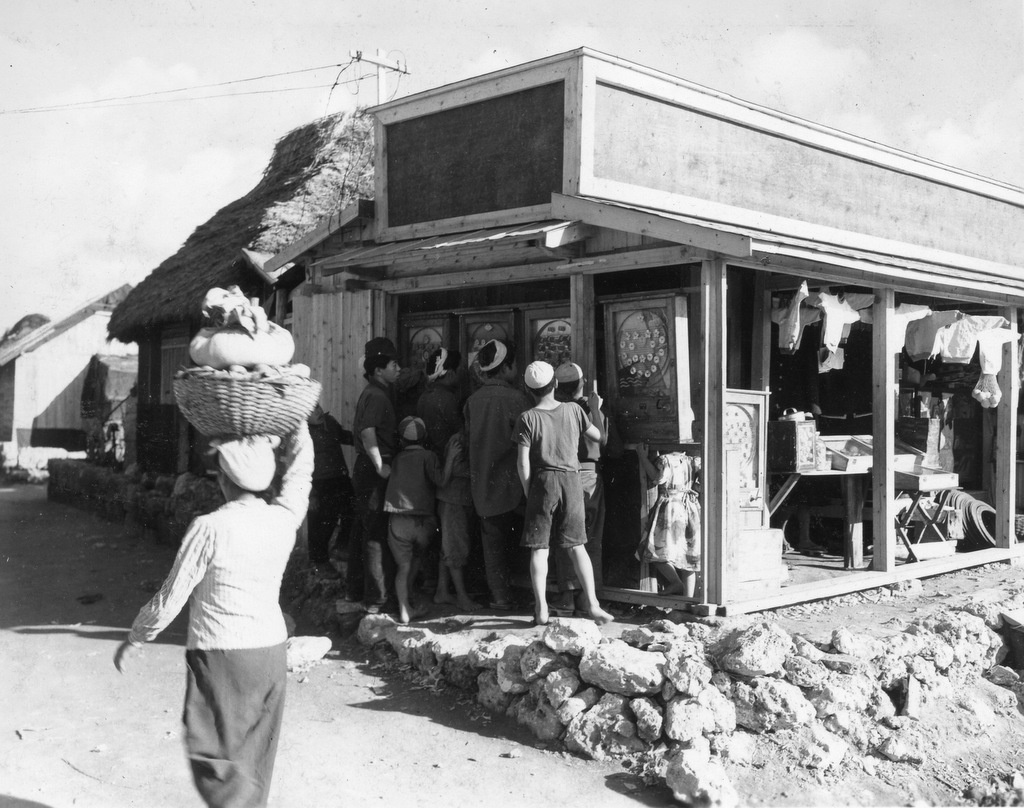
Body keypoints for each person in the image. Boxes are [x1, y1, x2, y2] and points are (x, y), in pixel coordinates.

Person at [114, 423, 313, 808]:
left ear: (223, 478)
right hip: (270, 653)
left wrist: (137, 637)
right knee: (255, 757)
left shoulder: (209, 528)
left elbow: (172, 595)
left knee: (214, 755)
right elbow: (300, 476)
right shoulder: (284, 518)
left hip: (221, 656)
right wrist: (299, 426)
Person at [513, 360, 613, 627]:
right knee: (578, 546)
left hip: (542, 482)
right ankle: (593, 604)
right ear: (554, 384)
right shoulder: (573, 410)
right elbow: (599, 437)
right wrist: (595, 409)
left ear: (528, 389)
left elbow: (522, 463)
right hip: (572, 480)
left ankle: (541, 608)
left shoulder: (527, 418)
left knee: (539, 549)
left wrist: (529, 491)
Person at [463, 339, 532, 610]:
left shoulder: (472, 401)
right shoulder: (517, 399)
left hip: (482, 485)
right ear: (506, 368)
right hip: (515, 485)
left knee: (492, 545)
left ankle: (500, 596)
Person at [550, 361, 607, 613]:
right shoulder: (592, 410)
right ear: (582, 383)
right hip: (590, 476)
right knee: (591, 538)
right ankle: (588, 598)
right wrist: (596, 410)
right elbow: (604, 442)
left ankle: (567, 597)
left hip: (565, 475)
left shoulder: (555, 410)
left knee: (566, 538)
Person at [350, 337, 401, 614]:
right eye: (394, 365)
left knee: (365, 529)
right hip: (373, 469)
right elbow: (368, 431)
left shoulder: (374, 391)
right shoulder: (378, 396)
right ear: (379, 370)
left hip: (366, 467)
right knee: (375, 534)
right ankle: (377, 600)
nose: (399, 369)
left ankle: (357, 590)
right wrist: (380, 465)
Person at [383, 416, 446, 623]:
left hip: (398, 521)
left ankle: (404, 609)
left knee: (403, 567)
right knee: (417, 560)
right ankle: (410, 598)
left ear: (401, 439)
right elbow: (440, 481)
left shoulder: (397, 458)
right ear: (425, 436)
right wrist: (451, 461)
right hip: (422, 522)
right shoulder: (429, 456)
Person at [636, 446, 702, 597]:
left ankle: (675, 582)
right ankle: (688, 598)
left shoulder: (665, 460)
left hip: (671, 507)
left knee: (655, 549)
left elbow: (658, 478)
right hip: (689, 507)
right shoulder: (692, 460)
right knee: (689, 555)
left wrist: (643, 458)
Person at [306, 404, 353, 580]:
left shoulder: (329, 422)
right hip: (318, 483)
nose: (318, 412)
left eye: (318, 407)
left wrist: (364, 438)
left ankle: (341, 547)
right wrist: (311, 494)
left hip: (339, 477)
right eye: (312, 411)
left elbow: (344, 436)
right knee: (321, 523)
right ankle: (319, 562)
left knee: (352, 509)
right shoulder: (301, 433)